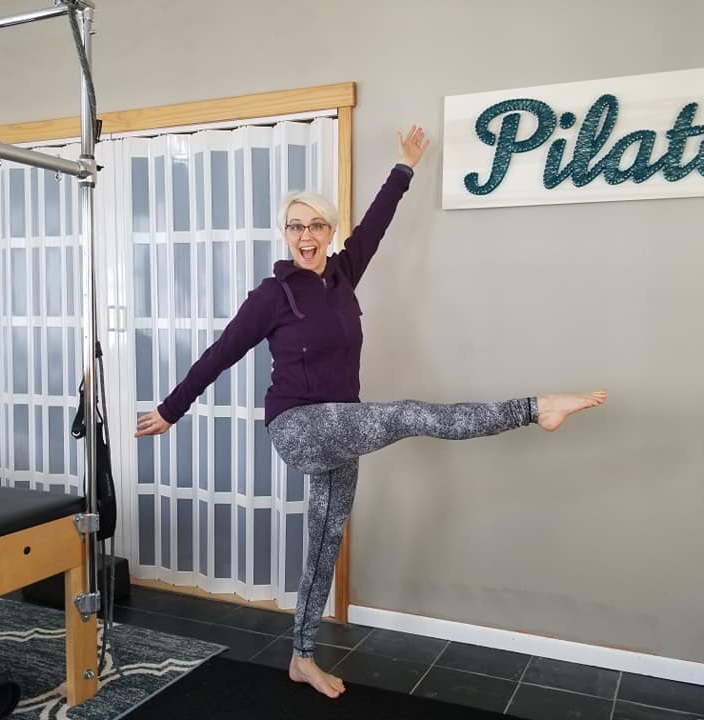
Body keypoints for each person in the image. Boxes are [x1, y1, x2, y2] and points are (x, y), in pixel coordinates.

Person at [135, 124, 607, 698]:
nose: (306, 236)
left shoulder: (342, 275)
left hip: (344, 427)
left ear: (329, 231)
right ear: (284, 233)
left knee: (324, 545)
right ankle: (536, 408)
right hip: (299, 427)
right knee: (409, 413)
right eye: (295, 226)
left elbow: (378, 222)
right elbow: (222, 352)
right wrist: (171, 409)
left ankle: (300, 658)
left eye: (316, 225)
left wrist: (404, 166)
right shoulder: (271, 297)